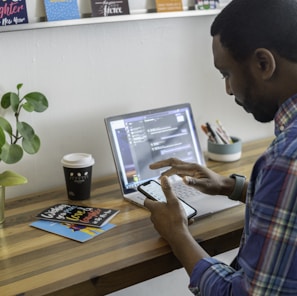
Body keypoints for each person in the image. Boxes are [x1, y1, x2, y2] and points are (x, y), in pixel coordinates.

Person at [144, 0, 297, 295]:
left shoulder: (286, 159)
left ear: (264, 64)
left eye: (226, 74)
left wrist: (177, 234)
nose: (228, 89)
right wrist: (231, 186)